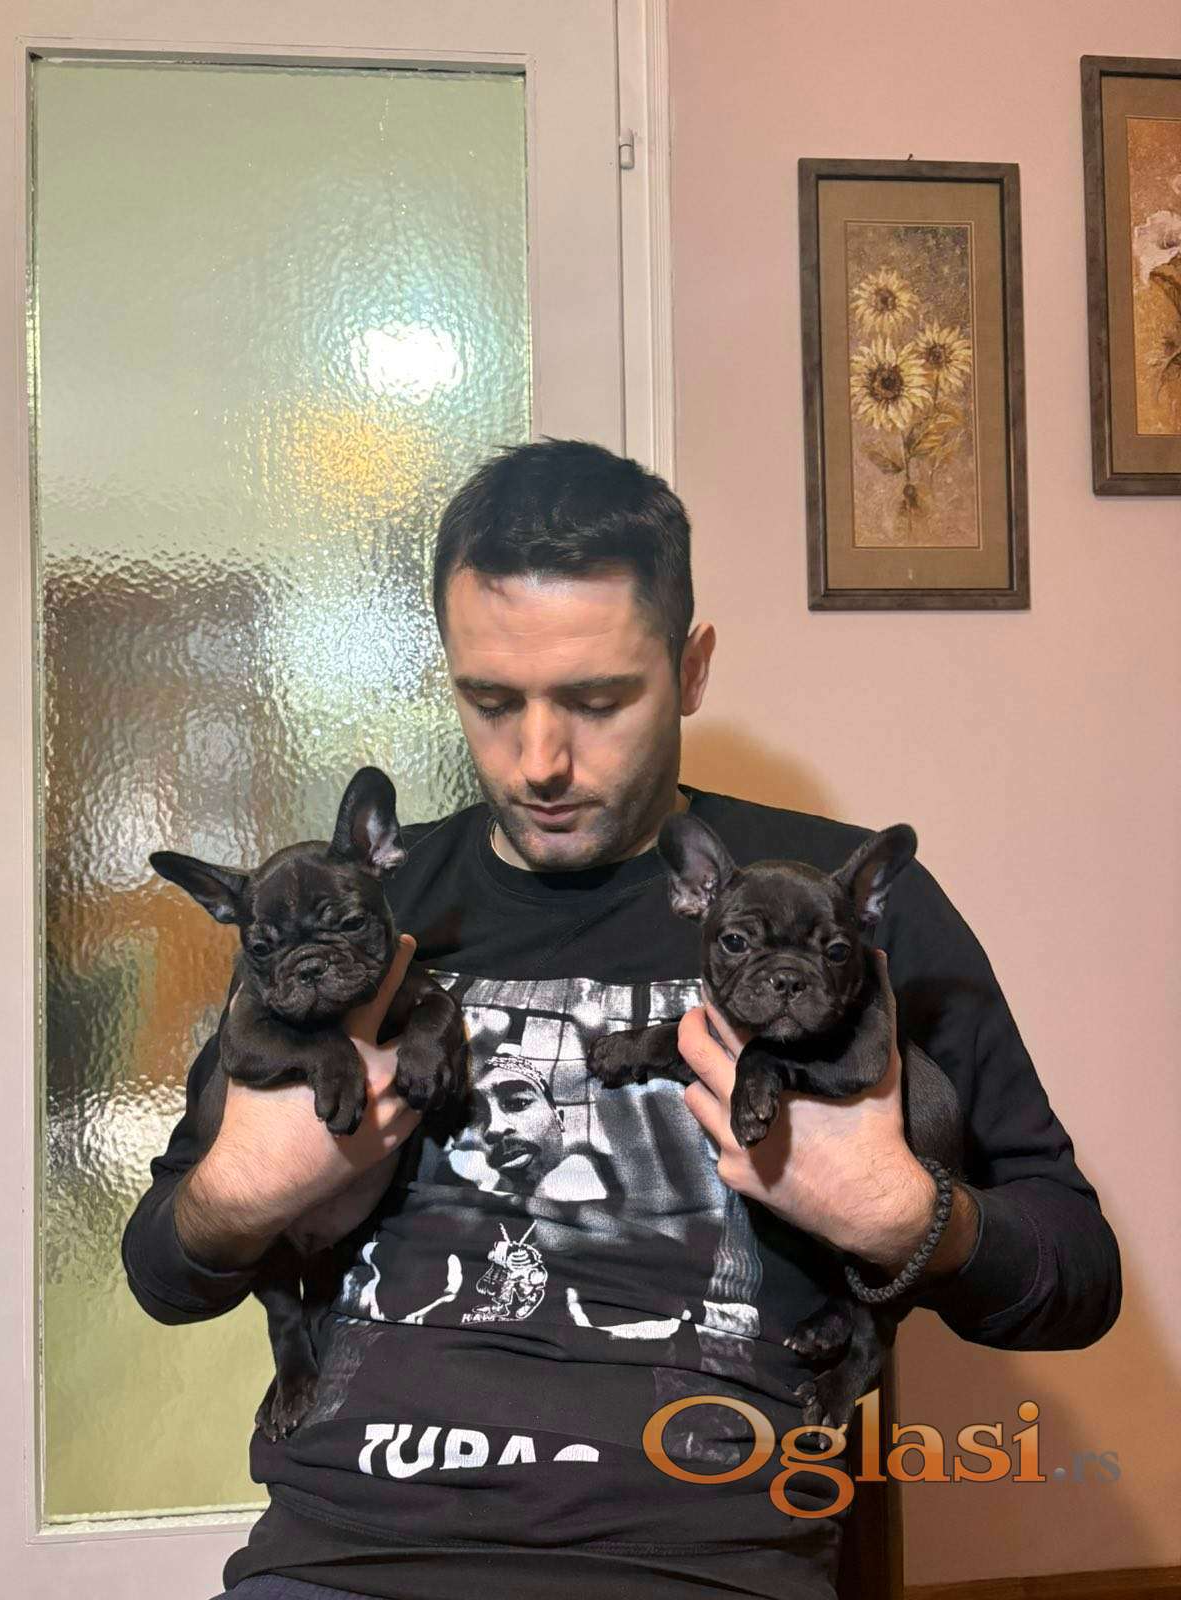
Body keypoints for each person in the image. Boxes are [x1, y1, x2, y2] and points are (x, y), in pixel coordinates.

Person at [122, 439, 1121, 1600]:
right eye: (492, 700)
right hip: (340, 1562)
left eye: (598, 701)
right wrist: (240, 1192)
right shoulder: (358, 913)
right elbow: (164, 1273)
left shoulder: (833, 913)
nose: (539, 761)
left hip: (699, 1569)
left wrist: (904, 1215)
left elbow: (1078, 1277)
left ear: (691, 668)